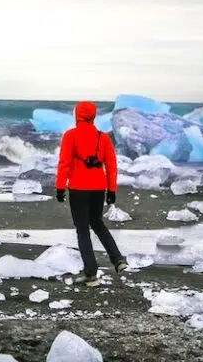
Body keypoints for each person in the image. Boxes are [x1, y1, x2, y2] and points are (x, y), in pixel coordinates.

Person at [55, 101, 127, 287]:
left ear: (77, 114)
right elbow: (111, 166)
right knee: (98, 224)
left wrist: (60, 187)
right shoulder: (103, 138)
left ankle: (91, 274)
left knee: (82, 230)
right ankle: (118, 259)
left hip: (79, 189)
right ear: (93, 116)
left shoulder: (70, 136)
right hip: (98, 188)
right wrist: (112, 190)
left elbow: (65, 164)